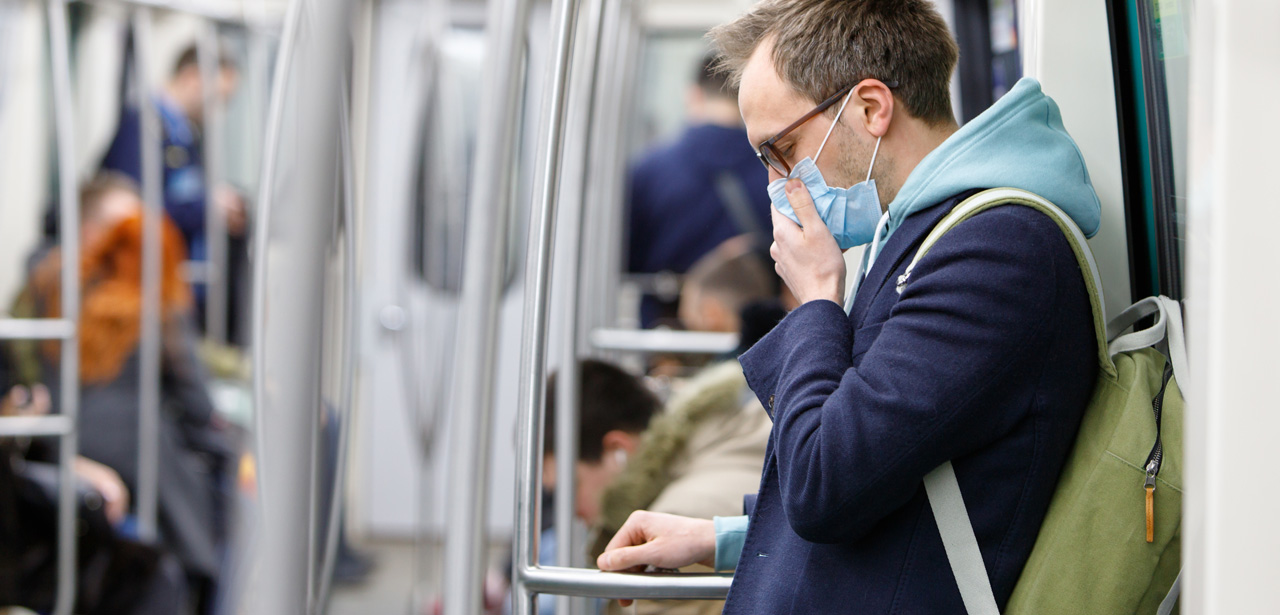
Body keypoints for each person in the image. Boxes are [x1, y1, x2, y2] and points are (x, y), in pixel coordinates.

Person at [597, 1, 1102, 612]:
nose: (777, 184)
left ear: (869, 108)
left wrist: (816, 299)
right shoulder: (926, 232)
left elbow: (826, 484)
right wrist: (722, 538)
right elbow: (892, 465)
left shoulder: (997, 250)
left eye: (783, 149)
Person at [23, 173, 234, 613]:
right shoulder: (149, 293)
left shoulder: (43, 283)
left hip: (60, 442)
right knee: (228, 496)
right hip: (137, 451)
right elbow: (194, 395)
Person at [545, 359, 770, 615]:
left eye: (571, 488)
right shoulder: (724, 430)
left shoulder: (678, 521)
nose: (571, 511)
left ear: (617, 450)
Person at [100, 44, 246, 332]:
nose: (219, 112)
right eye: (219, 99)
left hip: (172, 286)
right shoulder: (142, 126)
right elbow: (130, 211)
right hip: (143, 288)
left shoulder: (182, 134)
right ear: (192, 77)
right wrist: (207, 205)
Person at [628, 53, 772, 328]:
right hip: (755, 333)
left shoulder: (648, 170)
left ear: (693, 95)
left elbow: (628, 260)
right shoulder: (776, 169)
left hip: (667, 335)